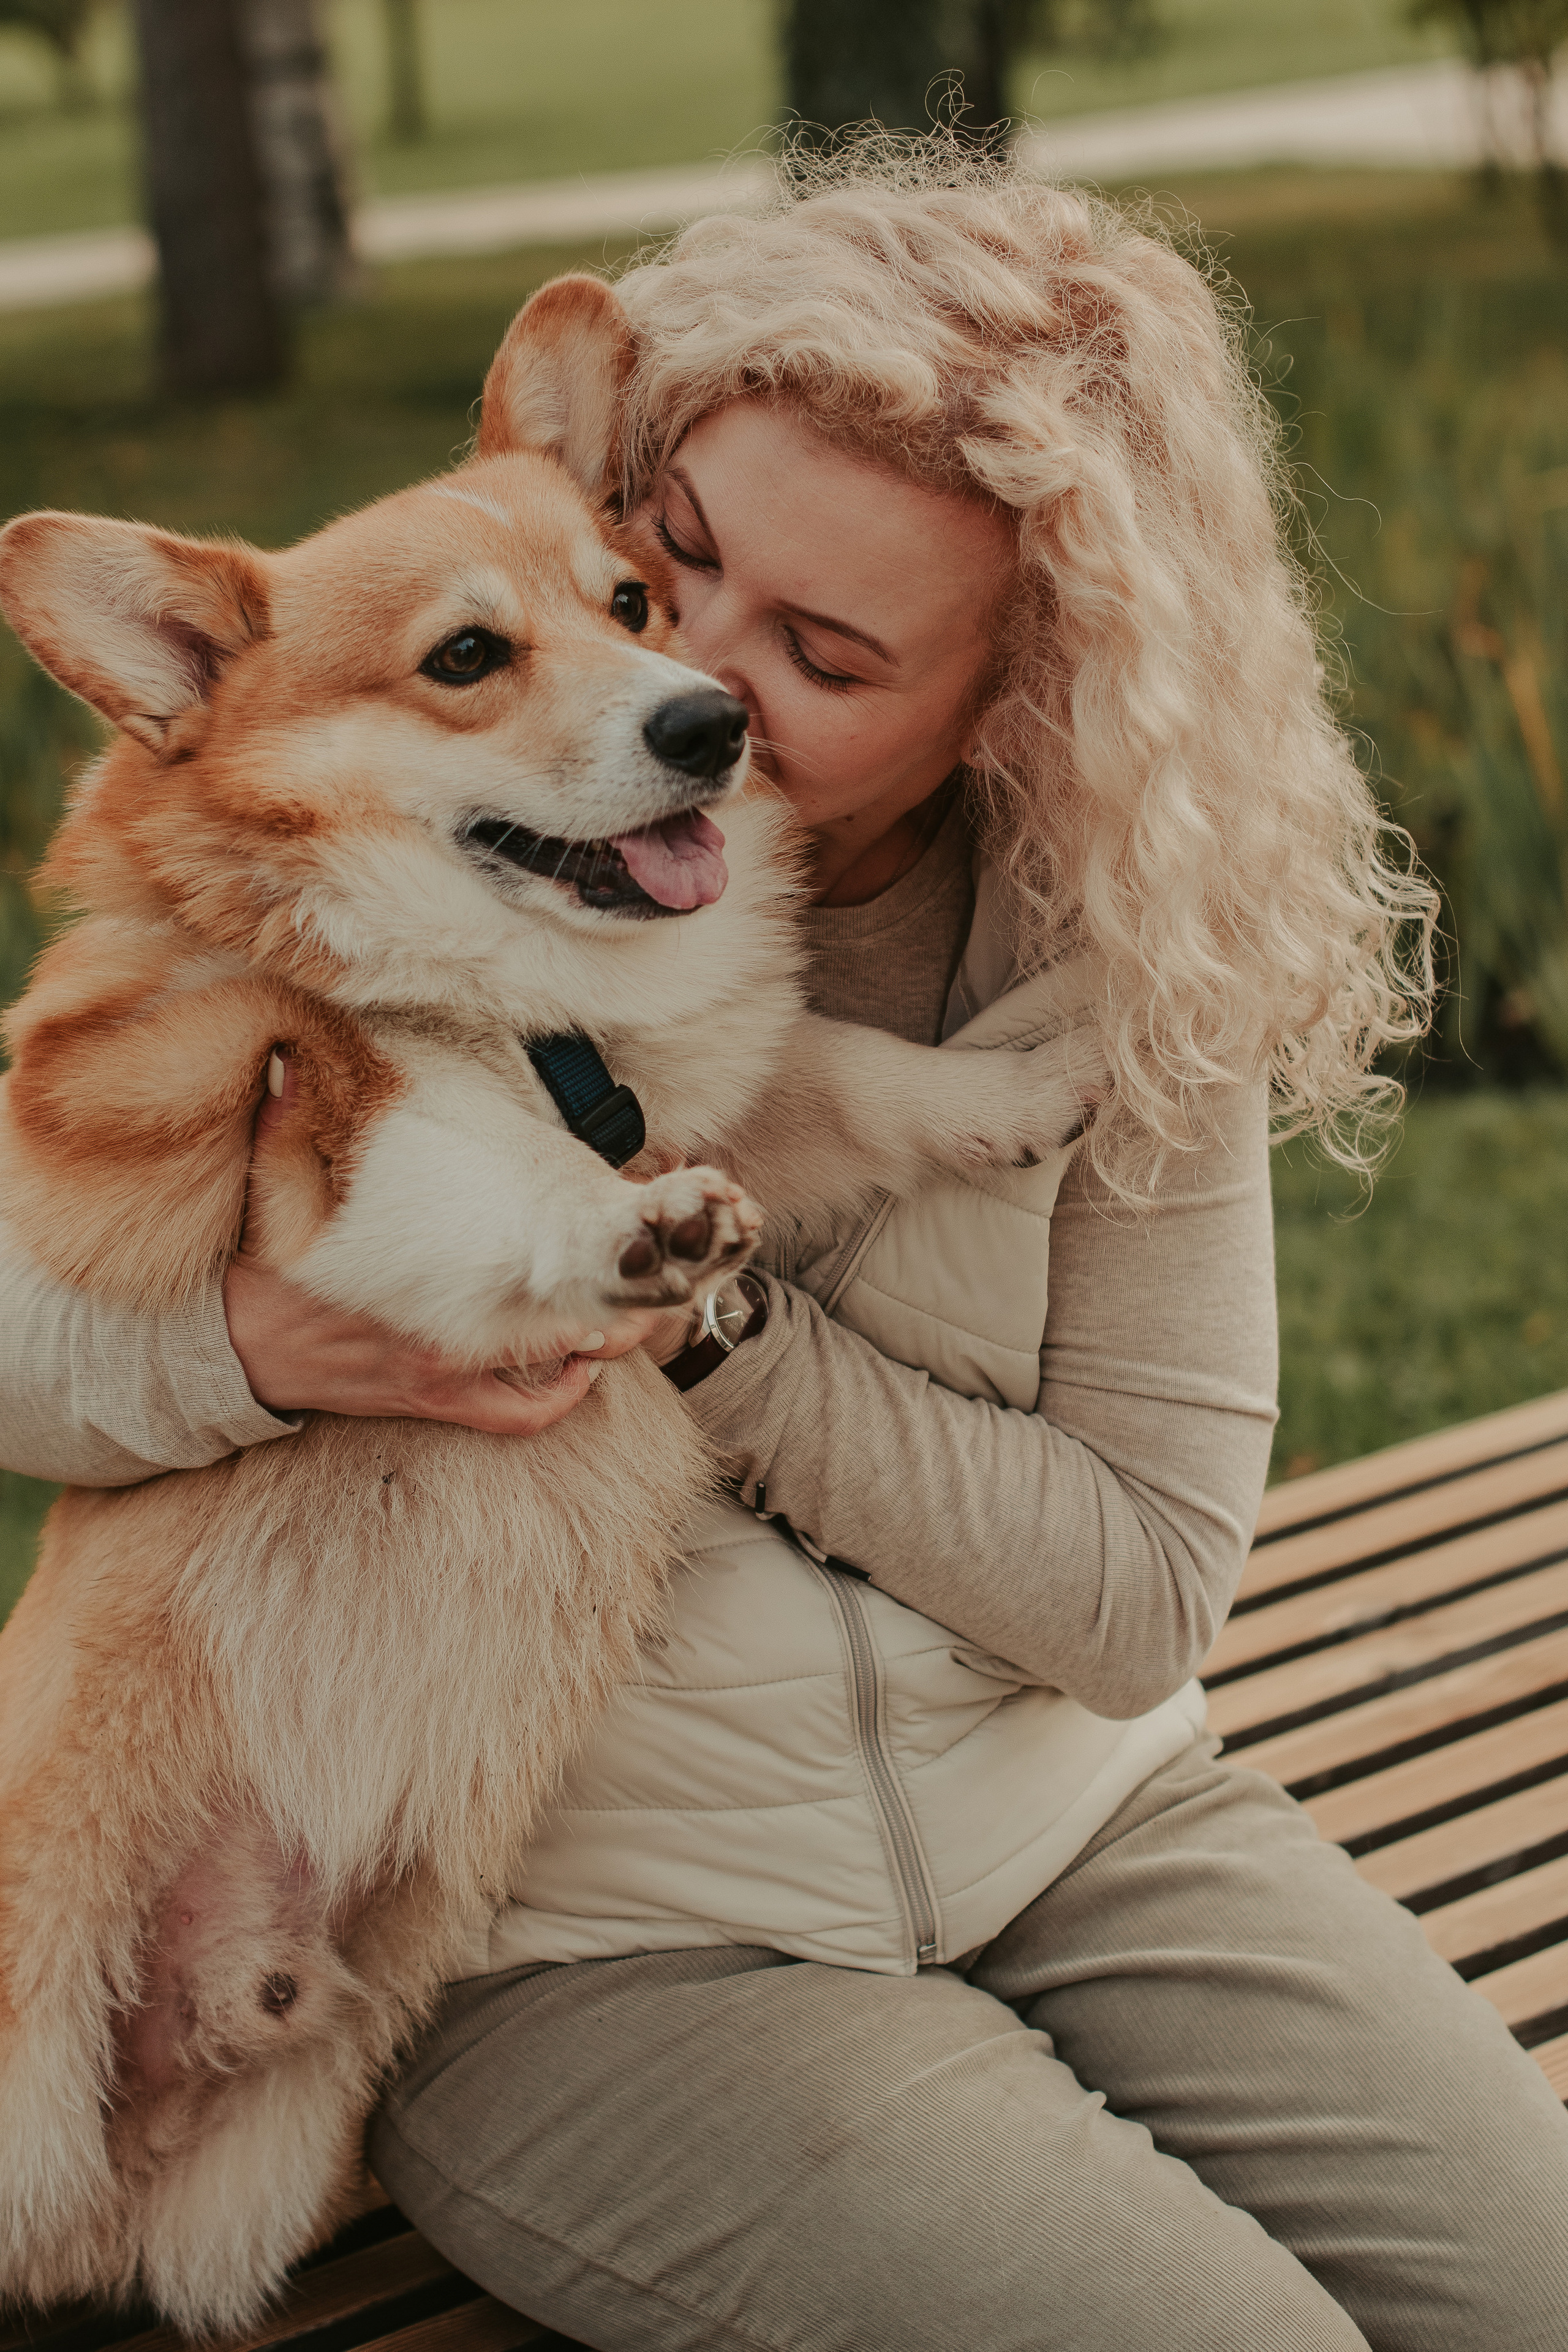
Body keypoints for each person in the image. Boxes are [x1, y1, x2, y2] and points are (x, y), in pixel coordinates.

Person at [3, 143, 1566, 2352]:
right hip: (607, 1950)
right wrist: (271, 1343)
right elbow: (39, 1288)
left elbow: (1132, 1592)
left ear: (1019, 696)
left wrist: (687, 1312)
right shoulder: (394, 886)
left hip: (1083, 1835)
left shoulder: (1125, 940)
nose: (689, 696)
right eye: (672, 569)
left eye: (822, 654)